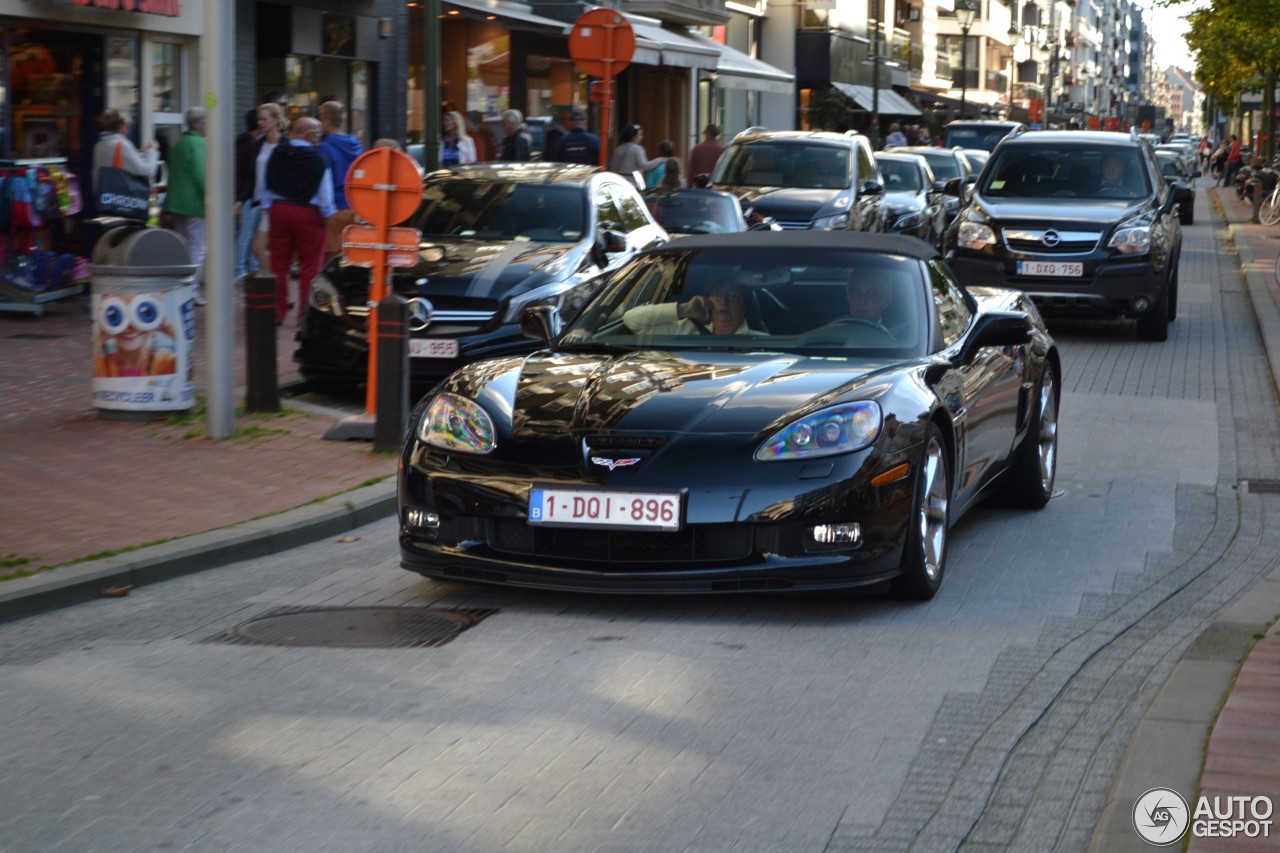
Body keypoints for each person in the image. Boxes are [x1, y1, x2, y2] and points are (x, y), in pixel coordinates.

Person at [264, 117, 335, 326]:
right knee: (310, 266)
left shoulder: (276, 153)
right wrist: (326, 217)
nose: (320, 138)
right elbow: (325, 195)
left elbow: (265, 183)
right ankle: (305, 314)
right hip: (308, 213)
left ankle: (277, 311)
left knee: (278, 263)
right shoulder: (318, 158)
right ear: (309, 135)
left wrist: (270, 208)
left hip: (279, 209)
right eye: (318, 134)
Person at [164, 107, 208, 305]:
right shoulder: (199, 144)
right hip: (194, 204)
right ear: (199, 124)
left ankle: (180, 288)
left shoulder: (180, 142)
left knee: (183, 247)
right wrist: (211, 196)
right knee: (197, 248)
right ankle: (191, 290)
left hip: (176, 202)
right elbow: (202, 175)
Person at [242, 102, 287, 282]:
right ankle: (278, 285)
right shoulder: (259, 144)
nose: (260, 123)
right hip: (261, 203)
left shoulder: (285, 145)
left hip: (277, 203)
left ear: (276, 120)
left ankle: (278, 286)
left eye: (264, 119)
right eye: (258, 119)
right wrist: (242, 198)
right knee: (259, 248)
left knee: (260, 247)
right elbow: (251, 174)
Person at [623, 282, 763, 335]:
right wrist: (684, 310)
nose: (723, 301)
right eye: (718, 294)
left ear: (743, 307)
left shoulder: (763, 342)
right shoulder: (684, 329)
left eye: (733, 296)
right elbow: (632, 321)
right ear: (708, 302)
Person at [92, 292, 178, 377]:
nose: (130, 327)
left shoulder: (166, 362)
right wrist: (100, 337)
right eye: (115, 315)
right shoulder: (101, 365)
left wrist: (167, 326)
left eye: (145, 313)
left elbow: (187, 368)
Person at [317, 100, 362, 262]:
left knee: (327, 258)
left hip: (334, 207)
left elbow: (324, 181)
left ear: (326, 121)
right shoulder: (355, 144)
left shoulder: (324, 147)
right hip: (355, 206)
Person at [91, 108, 159, 206]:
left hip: (105, 200)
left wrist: (141, 152)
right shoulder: (121, 145)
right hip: (122, 203)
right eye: (127, 126)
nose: (128, 130)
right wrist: (153, 151)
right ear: (121, 127)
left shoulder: (99, 145)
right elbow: (145, 170)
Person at [234, 108, 262, 282]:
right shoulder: (251, 145)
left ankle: (249, 266)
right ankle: (239, 270)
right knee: (246, 234)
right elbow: (251, 174)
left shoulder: (243, 142)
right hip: (249, 196)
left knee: (248, 233)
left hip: (247, 195)